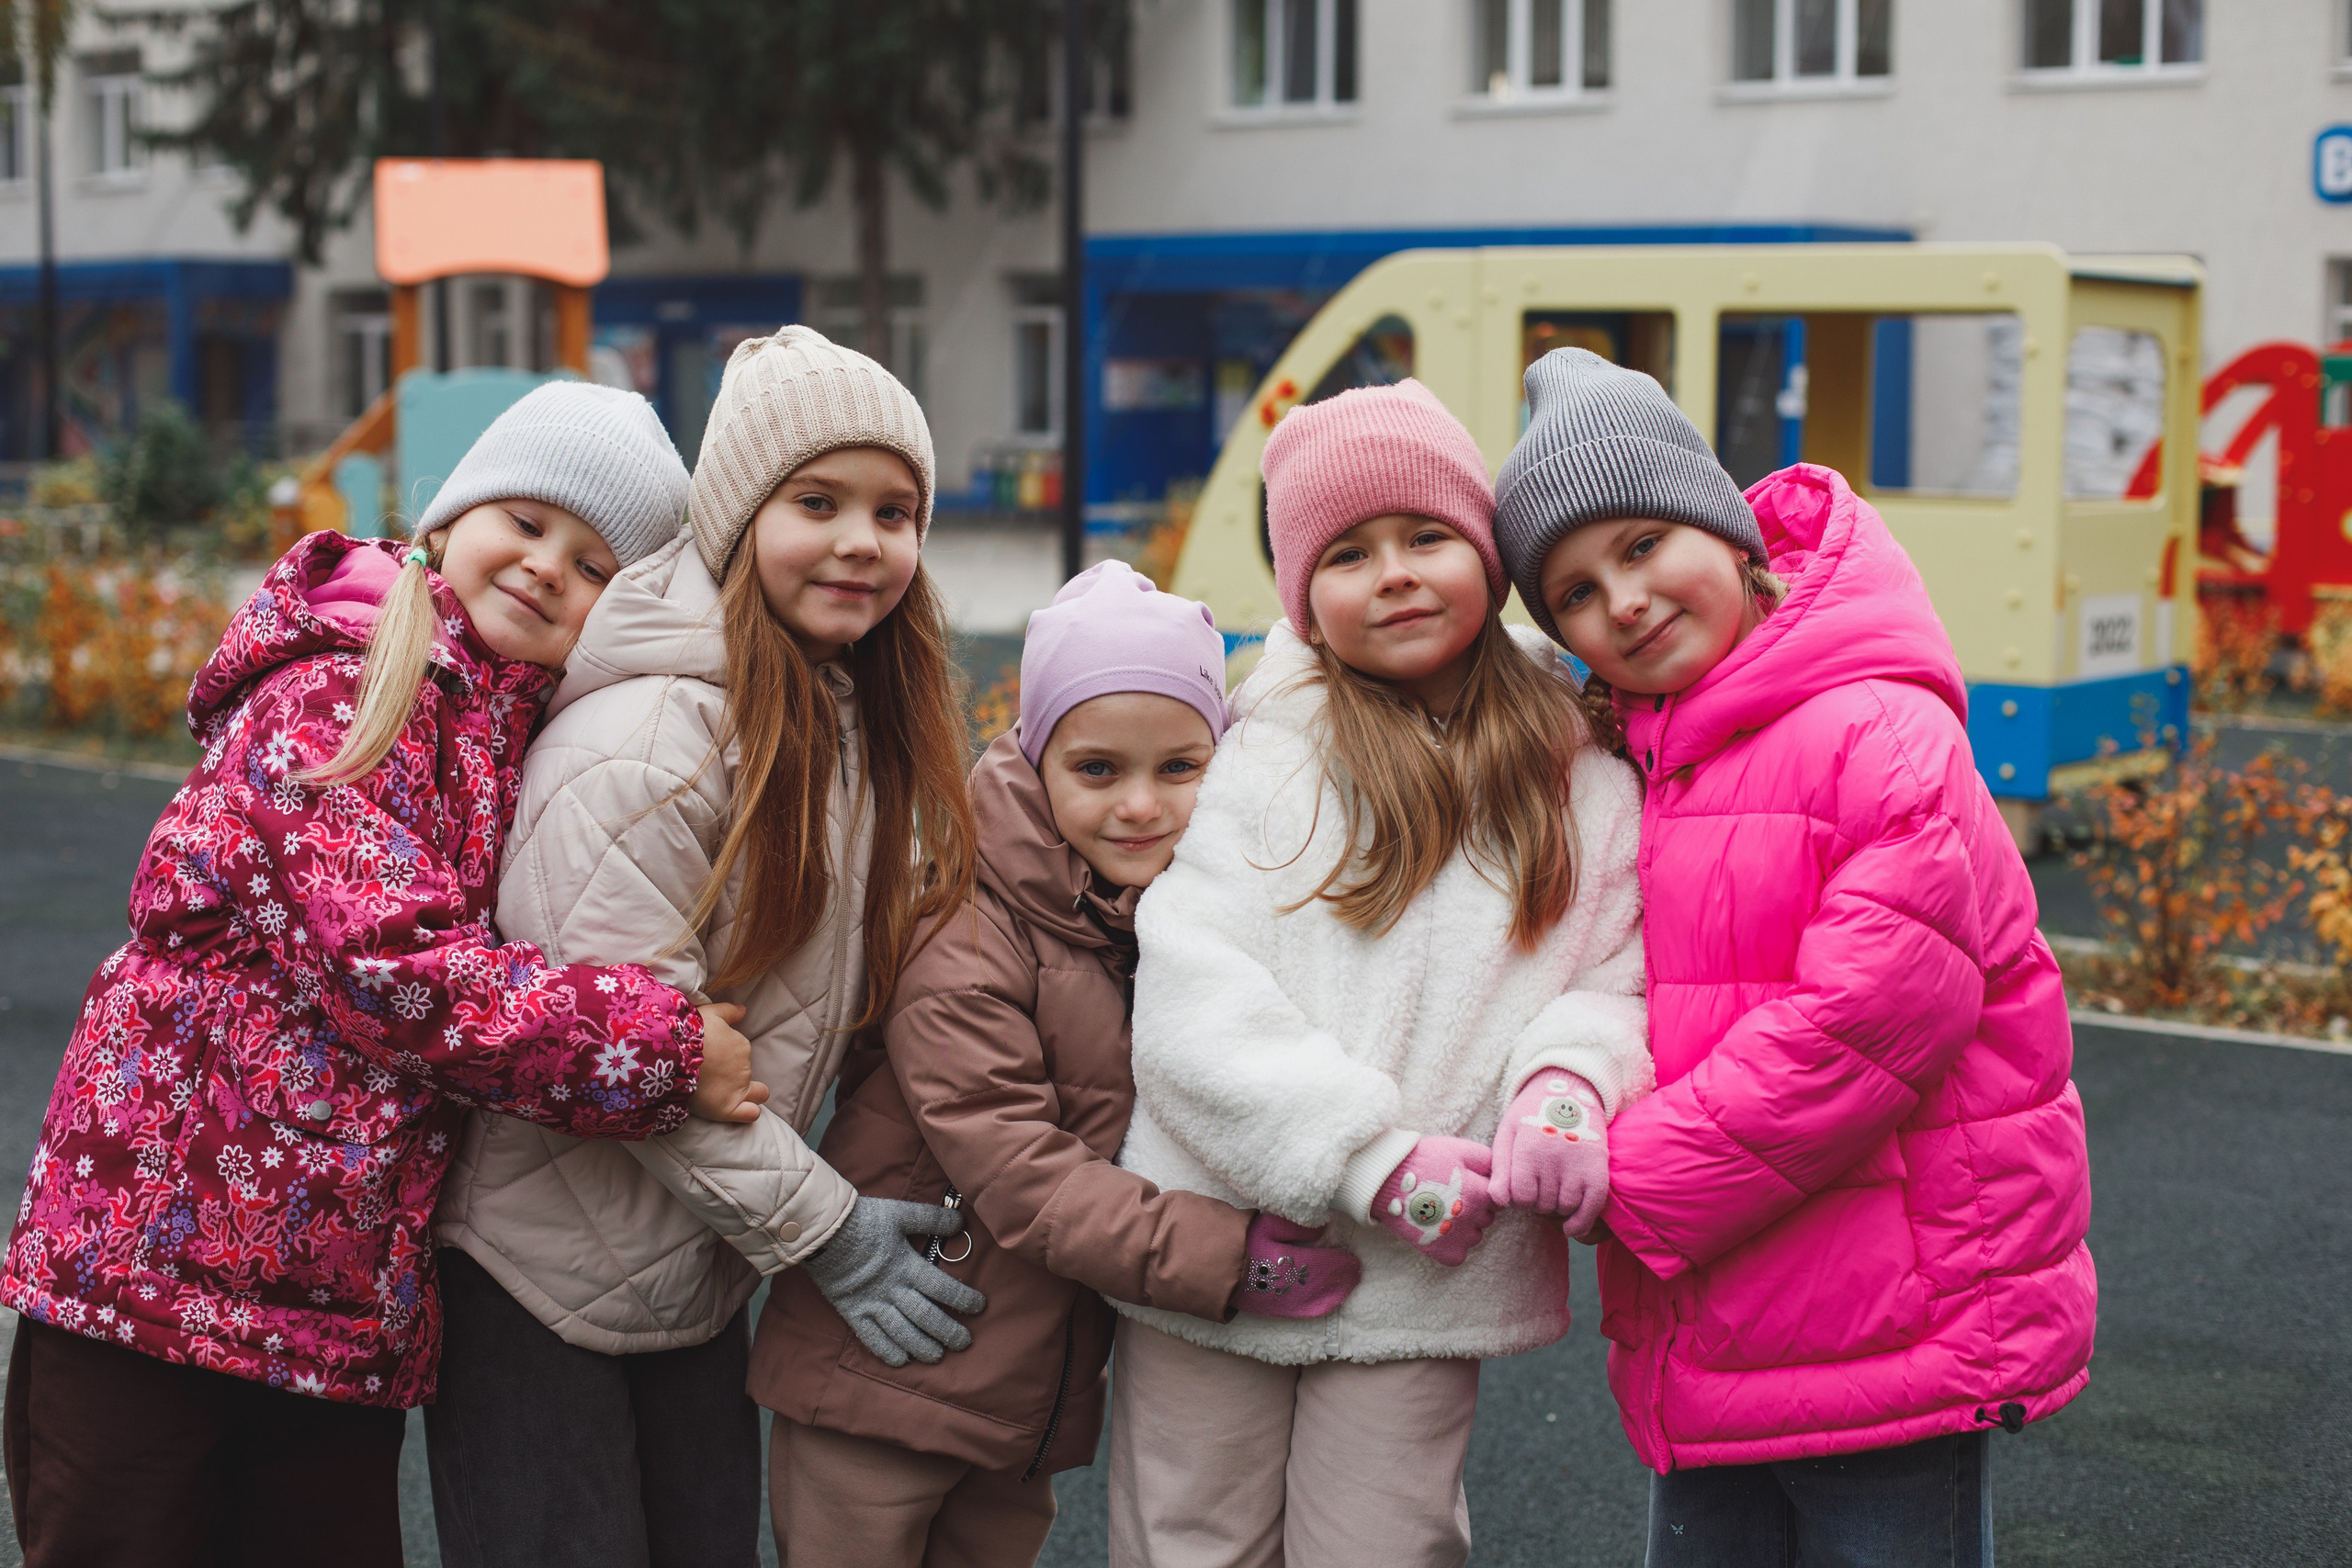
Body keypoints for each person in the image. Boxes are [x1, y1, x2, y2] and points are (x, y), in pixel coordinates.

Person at [0, 382, 767, 1568]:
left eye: (598, 563)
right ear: (451, 515)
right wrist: (660, 1048)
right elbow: (395, 969)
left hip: (331, 1307)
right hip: (152, 1266)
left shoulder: (517, 736)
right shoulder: (343, 685)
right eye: (528, 519)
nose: (550, 565)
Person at [1494, 347, 2096, 1567]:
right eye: (1573, 590)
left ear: (1733, 534)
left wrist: (1634, 1173)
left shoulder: (1873, 730)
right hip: (1730, 1305)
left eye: (1645, 541)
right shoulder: (1648, 757)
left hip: (1892, 1305)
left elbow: (1866, 1023)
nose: (1622, 597)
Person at [428, 327, 985, 1568]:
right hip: (543, 1272)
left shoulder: (833, 711)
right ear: (736, 517)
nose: (861, 539)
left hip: (693, 1259)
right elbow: (629, 1051)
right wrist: (829, 1228)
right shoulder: (648, 744)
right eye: (817, 501)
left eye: (895, 511)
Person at [1109, 379, 1650, 1568]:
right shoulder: (1263, 757)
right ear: (1305, 596)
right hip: (1226, 1233)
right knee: (1191, 1538)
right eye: (1347, 553)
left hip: (1422, 1277)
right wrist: (1370, 1155)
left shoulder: (1580, 775)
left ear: (1488, 555)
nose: (1395, 571)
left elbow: (1616, 973)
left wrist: (1568, 1083)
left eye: (1428, 535)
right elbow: (1194, 997)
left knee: (1388, 1541)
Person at [756, 559, 1363, 1568]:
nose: (1139, 806)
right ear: (1035, 761)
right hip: (889, 1368)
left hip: (1021, 1394)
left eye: (1180, 768)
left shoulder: (1159, 919)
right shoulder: (965, 927)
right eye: (1097, 770)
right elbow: (1019, 1175)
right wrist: (1227, 1258)